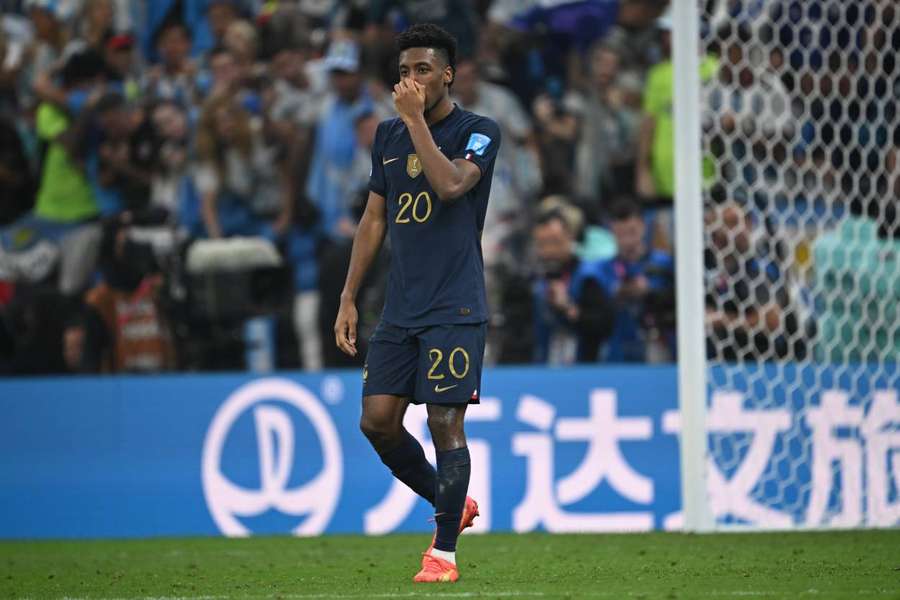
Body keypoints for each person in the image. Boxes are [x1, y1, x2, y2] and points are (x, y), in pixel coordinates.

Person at [333, 23, 500, 584]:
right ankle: (452, 502)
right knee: (377, 422)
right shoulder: (388, 136)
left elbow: (452, 185)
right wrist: (349, 296)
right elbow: (374, 217)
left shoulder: (479, 131)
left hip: (455, 305)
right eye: (404, 71)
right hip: (400, 309)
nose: (411, 80)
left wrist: (413, 122)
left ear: (448, 74)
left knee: (443, 422)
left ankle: (443, 554)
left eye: (423, 70)